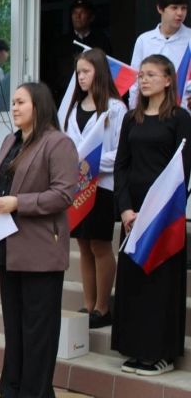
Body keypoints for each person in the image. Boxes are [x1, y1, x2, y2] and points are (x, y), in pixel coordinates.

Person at [0, 82, 78, 397]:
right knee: (14, 327)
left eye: (20, 102)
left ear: (38, 106)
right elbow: (0, 183)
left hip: (39, 248)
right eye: (12, 102)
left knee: (38, 331)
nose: (14, 108)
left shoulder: (58, 143)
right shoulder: (11, 140)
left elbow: (64, 194)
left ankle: (35, 392)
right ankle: (11, 389)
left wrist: (18, 203)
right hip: (6, 246)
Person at [112, 54, 191, 376]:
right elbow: (121, 166)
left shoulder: (181, 118)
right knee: (134, 283)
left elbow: (183, 167)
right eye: (141, 74)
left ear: (168, 80)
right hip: (134, 213)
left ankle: (160, 353)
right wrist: (126, 208)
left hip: (164, 215)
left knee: (161, 284)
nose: (143, 79)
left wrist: (157, 211)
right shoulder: (132, 118)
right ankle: (135, 349)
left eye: (151, 74)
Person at [62, 48, 126, 329]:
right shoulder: (74, 107)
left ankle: (103, 306)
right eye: (78, 73)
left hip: (102, 185)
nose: (81, 77)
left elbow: (122, 151)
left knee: (100, 244)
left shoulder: (116, 107)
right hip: (77, 186)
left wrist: (92, 164)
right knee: (83, 245)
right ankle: (89, 305)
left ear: (99, 72)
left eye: (86, 72)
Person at [129, 0, 191, 108]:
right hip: (150, 112)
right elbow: (135, 79)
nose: (180, 13)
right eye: (174, 8)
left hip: (184, 112)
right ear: (160, 9)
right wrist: (134, 111)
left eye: (183, 8)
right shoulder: (144, 40)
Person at [48, 0, 113, 105]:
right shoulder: (61, 42)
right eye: (74, 13)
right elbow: (52, 71)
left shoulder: (101, 41)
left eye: (82, 13)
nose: (77, 17)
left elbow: (108, 68)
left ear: (91, 17)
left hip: (94, 96)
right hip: (65, 96)